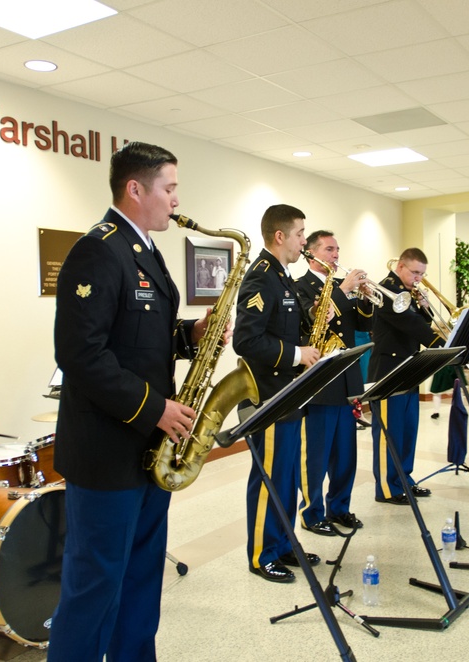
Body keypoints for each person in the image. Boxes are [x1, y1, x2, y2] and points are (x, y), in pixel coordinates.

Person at [49, 142, 213, 661]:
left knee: (142, 577)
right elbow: (81, 355)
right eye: (168, 188)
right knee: (94, 585)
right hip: (106, 452)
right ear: (135, 189)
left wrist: (192, 334)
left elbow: (142, 340)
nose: (175, 199)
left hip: (148, 451)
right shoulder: (98, 248)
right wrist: (156, 410)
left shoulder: (144, 249)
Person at [233, 204, 321, 583]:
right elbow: (246, 340)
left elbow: (283, 327)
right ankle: (261, 554)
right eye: (301, 233)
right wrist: (298, 354)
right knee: (269, 478)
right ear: (280, 236)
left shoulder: (283, 277)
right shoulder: (261, 277)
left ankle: (285, 545)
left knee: (285, 477)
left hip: (289, 393)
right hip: (268, 396)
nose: (305, 240)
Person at [294, 230, 373, 534]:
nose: (336, 256)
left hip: (347, 379)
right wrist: (343, 289)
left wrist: (364, 299)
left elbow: (366, 325)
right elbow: (311, 324)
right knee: (316, 455)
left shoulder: (344, 289)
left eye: (338, 250)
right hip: (320, 381)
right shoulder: (300, 287)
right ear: (311, 254)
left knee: (345, 455)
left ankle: (340, 507)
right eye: (329, 250)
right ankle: (312, 514)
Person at [369, 248, 444, 504]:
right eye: (414, 272)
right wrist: (442, 343)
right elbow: (411, 325)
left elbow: (417, 320)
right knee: (390, 433)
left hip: (409, 368)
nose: (418, 279)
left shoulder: (408, 291)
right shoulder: (385, 291)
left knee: (408, 430)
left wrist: (424, 306)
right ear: (400, 266)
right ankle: (387, 488)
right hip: (388, 372)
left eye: (422, 274)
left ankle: (404, 479)